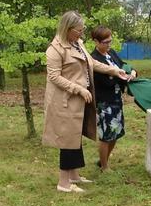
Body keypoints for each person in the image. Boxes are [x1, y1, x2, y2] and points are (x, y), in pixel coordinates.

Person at [42, 11, 128, 193]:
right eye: (78, 30)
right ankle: (63, 183)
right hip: (64, 101)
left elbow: (92, 64)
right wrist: (79, 88)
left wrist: (113, 71)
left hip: (79, 101)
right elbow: (54, 77)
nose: (81, 34)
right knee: (67, 140)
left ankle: (74, 175)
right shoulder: (55, 49)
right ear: (68, 28)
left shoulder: (78, 44)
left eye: (83, 30)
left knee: (75, 138)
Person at [90, 26, 137, 172]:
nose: (109, 44)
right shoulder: (94, 60)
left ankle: (104, 161)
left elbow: (123, 65)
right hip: (104, 103)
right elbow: (106, 81)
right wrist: (120, 76)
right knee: (106, 135)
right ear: (96, 41)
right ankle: (104, 167)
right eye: (105, 42)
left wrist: (132, 71)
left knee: (115, 133)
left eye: (110, 41)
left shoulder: (111, 53)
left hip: (116, 100)